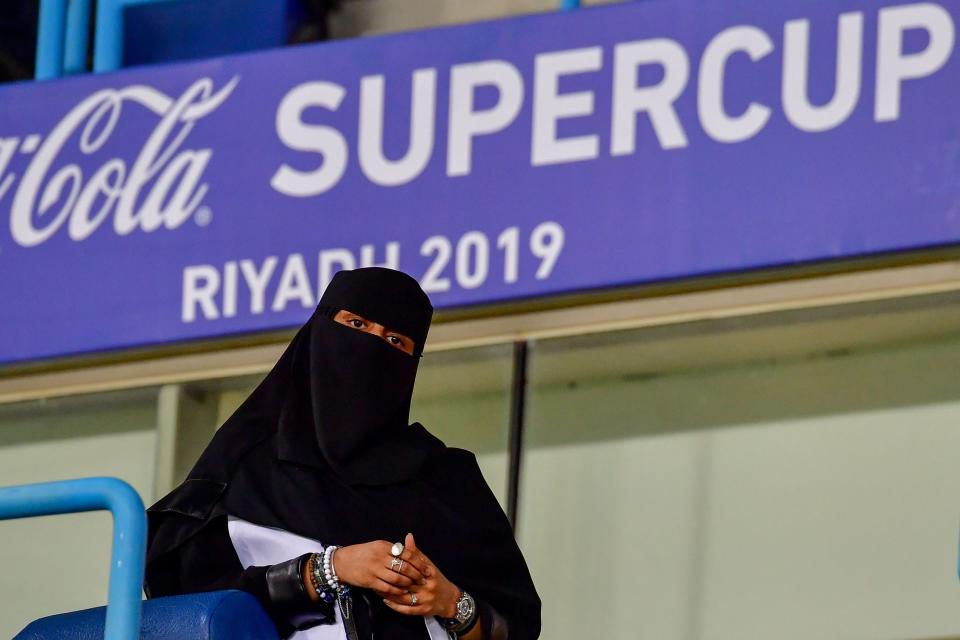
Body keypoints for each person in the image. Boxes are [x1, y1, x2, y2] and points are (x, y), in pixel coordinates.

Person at [144, 267, 541, 640]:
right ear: (318, 331)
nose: (372, 346)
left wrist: (451, 602)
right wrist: (328, 571)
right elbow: (193, 612)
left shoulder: (447, 480)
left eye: (395, 341)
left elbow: (518, 624)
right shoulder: (246, 470)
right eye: (356, 325)